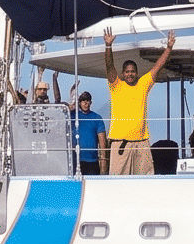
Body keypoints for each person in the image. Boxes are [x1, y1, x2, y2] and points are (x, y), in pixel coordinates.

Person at [101, 23, 174, 176]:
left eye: (133, 71)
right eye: (127, 72)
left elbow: (158, 67)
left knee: (145, 181)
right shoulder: (116, 86)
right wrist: (108, 46)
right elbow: (109, 67)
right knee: (118, 181)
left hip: (141, 143)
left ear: (137, 73)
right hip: (120, 143)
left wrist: (168, 48)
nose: (130, 74)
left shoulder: (143, 85)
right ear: (122, 73)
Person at [72, 91, 104, 176]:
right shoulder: (73, 116)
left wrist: (104, 162)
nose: (86, 103)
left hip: (93, 161)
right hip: (76, 160)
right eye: (83, 101)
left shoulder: (97, 118)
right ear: (80, 103)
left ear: (91, 102)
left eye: (88, 101)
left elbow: (102, 142)